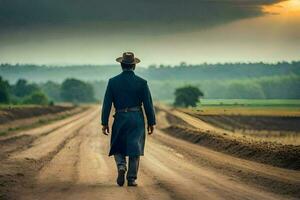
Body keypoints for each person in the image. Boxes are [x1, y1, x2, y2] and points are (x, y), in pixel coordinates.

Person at [101, 52, 156, 187]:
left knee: (118, 144)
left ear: (121, 65)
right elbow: (148, 104)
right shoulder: (142, 83)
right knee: (134, 147)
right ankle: (131, 178)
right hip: (136, 117)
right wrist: (151, 122)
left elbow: (107, 103)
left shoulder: (113, 82)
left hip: (120, 117)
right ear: (134, 66)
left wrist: (104, 122)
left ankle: (121, 166)